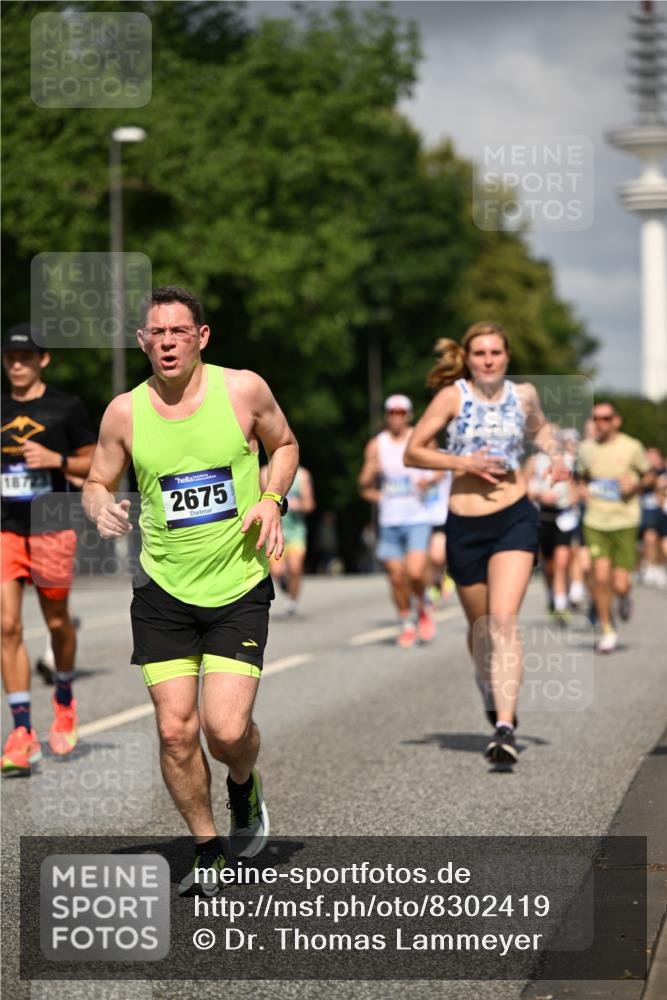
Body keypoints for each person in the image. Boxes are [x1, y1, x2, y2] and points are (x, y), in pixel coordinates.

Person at [82, 286, 298, 889]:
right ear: (143, 343)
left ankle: (243, 784)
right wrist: (97, 505)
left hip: (237, 582)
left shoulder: (242, 390)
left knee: (225, 731)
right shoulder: (124, 411)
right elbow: (97, 479)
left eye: (179, 331)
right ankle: (206, 850)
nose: (168, 342)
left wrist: (272, 499)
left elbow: (285, 444)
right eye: (157, 333)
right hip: (161, 590)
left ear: (201, 337)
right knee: (176, 729)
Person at [404, 323, 568, 765]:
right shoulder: (452, 397)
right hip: (465, 525)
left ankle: (505, 726)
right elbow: (413, 452)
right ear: (469, 358)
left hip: (515, 518)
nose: (489, 359)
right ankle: (487, 683)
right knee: (481, 633)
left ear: (507, 356)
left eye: (496, 352)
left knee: (502, 621)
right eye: (480, 353)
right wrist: (464, 462)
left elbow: (542, 429)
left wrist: (556, 457)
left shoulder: (525, 395)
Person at [1, 324, 96, 774]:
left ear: (44, 359)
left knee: (56, 621)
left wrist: (55, 461)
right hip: (5, 529)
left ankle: (63, 699)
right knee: (6, 625)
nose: (17, 364)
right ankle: (21, 731)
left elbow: (96, 462)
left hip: (52, 526)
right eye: (10, 357)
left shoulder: (66, 407)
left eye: (26, 357)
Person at [358, 395, 438, 648]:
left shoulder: (421, 438)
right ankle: (406, 622)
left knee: (415, 572)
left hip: (417, 516)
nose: (396, 416)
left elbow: (440, 468)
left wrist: (430, 480)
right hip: (389, 520)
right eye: (392, 412)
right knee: (396, 577)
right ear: (386, 415)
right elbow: (363, 485)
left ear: (409, 415)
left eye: (401, 412)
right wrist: (372, 479)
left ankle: (422, 604)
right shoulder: (376, 445)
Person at [577, 402, 653, 653]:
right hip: (595, 521)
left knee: (619, 583)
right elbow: (580, 477)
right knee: (599, 577)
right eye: (596, 418)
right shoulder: (586, 449)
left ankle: (623, 597)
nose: (600, 423)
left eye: (606, 418)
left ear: (616, 421)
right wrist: (581, 489)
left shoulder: (631, 447)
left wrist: (636, 486)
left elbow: (649, 475)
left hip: (624, 520)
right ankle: (608, 630)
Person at [525, 427, 581, 624]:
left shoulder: (567, 461)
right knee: (549, 566)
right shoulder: (534, 461)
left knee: (562, 562)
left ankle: (560, 605)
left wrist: (568, 501)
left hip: (563, 517)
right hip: (542, 517)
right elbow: (523, 488)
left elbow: (575, 490)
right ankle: (552, 596)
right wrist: (541, 495)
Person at [260, 464, 315, 616]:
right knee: (276, 572)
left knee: (295, 569)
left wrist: (299, 505)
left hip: (296, 532)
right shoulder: (264, 473)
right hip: (274, 531)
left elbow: (310, 504)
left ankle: (293, 601)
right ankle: (286, 585)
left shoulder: (302, 475)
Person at [638, 447, 667, 589]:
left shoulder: (664, 472)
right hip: (648, 514)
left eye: (653, 456)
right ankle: (650, 567)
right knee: (649, 538)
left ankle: (658, 566)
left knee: (663, 545)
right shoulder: (644, 474)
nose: (651, 460)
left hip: (662, 513)